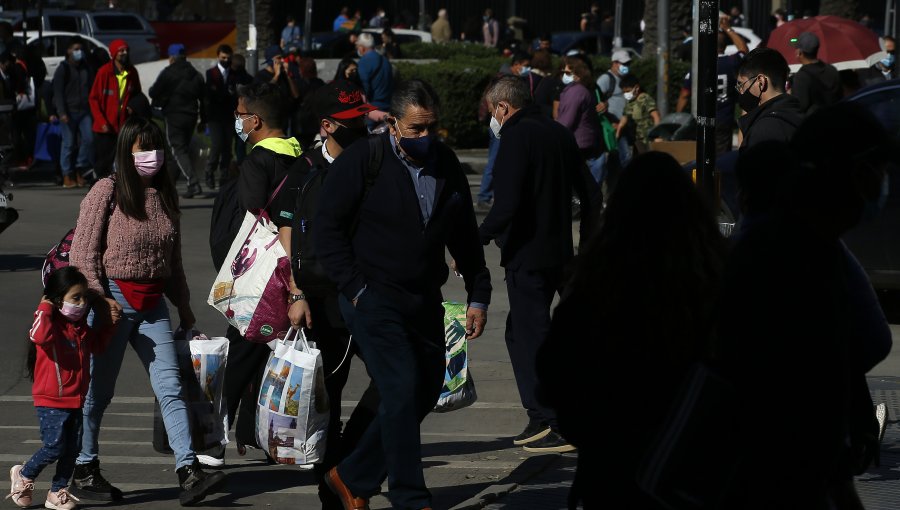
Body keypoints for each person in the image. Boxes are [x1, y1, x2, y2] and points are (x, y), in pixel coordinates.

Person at [315, 79, 491, 510]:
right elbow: (326, 230)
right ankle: (411, 497)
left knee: (427, 386)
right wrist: (356, 289)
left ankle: (352, 476)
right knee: (400, 386)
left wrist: (478, 292)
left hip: (422, 297)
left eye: (432, 127)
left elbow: (464, 234)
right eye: (416, 129)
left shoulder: (445, 164)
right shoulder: (363, 161)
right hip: (373, 298)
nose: (426, 137)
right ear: (393, 124)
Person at [717, 102, 894, 509]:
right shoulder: (793, 254)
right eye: (879, 171)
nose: (883, 184)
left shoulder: (805, 244)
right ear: (854, 173)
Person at [536, 151, 727, 509]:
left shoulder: (597, 283)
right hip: (694, 470)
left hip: (613, 468)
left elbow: (554, 374)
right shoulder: (715, 279)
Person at [69, 117, 226, 506]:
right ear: (127, 150)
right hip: (112, 303)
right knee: (97, 392)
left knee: (170, 387)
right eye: (143, 148)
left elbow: (171, 261)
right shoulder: (105, 191)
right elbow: (82, 255)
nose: (151, 156)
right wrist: (99, 299)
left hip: (153, 304)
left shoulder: (164, 196)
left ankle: (188, 471)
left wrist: (185, 308)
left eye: (156, 148)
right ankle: (84, 468)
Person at [272, 80, 380, 510]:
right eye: (351, 123)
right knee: (327, 399)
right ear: (327, 126)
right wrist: (295, 293)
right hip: (320, 299)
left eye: (362, 119)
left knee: (394, 382)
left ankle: (348, 469)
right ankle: (332, 489)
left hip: (368, 295)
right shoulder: (306, 169)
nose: (360, 128)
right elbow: (285, 235)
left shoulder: (374, 160)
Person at [480, 75, 597, 453]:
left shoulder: (516, 137)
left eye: (490, 111)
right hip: (560, 253)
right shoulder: (558, 132)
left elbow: (507, 204)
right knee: (523, 332)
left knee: (531, 336)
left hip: (527, 256)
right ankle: (546, 413)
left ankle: (553, 420)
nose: (491, 120)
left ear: (502, 107)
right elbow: (591, 194)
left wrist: (474, 239)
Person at [221, 81, 303, 459]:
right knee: (270, 350)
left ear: (255, 120)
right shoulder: (302, 155)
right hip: (295, 267)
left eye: (240, 115)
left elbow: (252, 214)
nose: (237, 122)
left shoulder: (258, 160)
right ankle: (257, 431)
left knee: (243, 348)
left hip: (260, 276)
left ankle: (215, 425)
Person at [8, 267, 114, 510]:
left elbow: (97, 347)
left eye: (83, 297)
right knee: (54, 446)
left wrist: (109, 325)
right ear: (57, 300)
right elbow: (38, 336)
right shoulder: (49, 323)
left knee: (72, 449)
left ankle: (57, 492)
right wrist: (44, 306)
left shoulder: (80, 328)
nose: (81, 303)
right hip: (51, 399)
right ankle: (24, 474)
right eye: (75, 298)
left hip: (76, 398)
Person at [676, 16, 748, 153]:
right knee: (721, 159)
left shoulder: (699, 66)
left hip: (702, 119)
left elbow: (684, 95)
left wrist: (677, 118)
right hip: (724, 120)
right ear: (725, 46)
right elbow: (744, 50)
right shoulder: (732, 63)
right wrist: (728, 29)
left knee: (702, 155)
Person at [149, 43, 206, 198]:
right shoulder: (195, 74)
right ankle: (170, 185)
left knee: (177, 150)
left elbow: (153, 91)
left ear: (171, 58)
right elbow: (204, 98)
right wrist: (204, 120)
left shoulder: (168, 73)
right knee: (182, 150)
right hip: (192, 116)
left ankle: (193, 183)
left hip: (174, 115)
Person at [88, 39, 140, 180]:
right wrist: (102, 121)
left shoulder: (132, 72)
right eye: (121, 51)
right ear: (114, 54)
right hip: (106, 127)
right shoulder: (104, 72)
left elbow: (137, 95)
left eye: (126, 50)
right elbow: (93, 99)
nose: (125, 53)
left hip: (124, 125)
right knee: (104, 163)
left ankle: (121, 191)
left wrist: (132, 108)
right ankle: (97, 190)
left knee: (125, 161)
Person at [736, 47, 803, 151]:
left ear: (761, 82)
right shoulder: (800, 115)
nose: (741, 91)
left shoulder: (763, 130)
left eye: (742, 85)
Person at [52, 36, 94, 188]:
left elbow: (91, 88)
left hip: (84, 111)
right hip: (68, 112)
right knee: (68, 144)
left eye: (81, 49)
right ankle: (66, 175)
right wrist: (61, 112)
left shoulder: (85, 68)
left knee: (88, 140)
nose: (79, 52)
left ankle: (79, 167)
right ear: (68, 51)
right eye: (76, 49)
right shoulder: (63, 69)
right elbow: (58, 93)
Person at [556, 57, 604, 186]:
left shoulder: (575, 92)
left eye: (567, 73)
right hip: (584, 141)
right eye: (562, 73)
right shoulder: (580, 90)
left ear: (577, 74)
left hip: (578, 142)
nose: (563, 76)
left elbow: (566, 121)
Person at [203, 44, 239, 189]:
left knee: (227, 147)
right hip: (215, 116)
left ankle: (224, 175)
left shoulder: (234, 75)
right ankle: (209, 170)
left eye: (228, 58)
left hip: (228, 116)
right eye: (223, 57)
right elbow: (210, 94)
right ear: (218, 56)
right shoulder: (211, 73)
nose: (226, 60)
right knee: (217, 144)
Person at [596, 49, 633, 181]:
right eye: (623, 63)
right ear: (614, 63)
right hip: (613, 127)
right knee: (625, 158)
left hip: (623, 126)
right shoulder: (606, 79)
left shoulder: (626, 79)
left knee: (618, 160)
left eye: (628, 63)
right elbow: (597, 100)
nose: (626, 66)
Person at [790, 32, 842, 116]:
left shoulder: (801, 77)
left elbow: (800, 106)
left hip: (814, 124)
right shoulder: (832, 70)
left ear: (799, 53)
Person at [617, 74, 660, 154]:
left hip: (648, 139)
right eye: (624, 92)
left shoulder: (645, 99)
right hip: (637, 140)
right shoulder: (630, 102)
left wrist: (657, 135)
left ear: (636, 88)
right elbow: (624, 117)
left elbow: (656, 116)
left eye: (628, 91)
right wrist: (618, 132)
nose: (626, 94)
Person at [356, 33, 392, 111]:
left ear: (362, 48)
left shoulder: (363, 62)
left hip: (373, 107)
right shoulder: (385, 60)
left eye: (357, 46)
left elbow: (364, 88)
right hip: (388, 105)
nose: (357, 49)